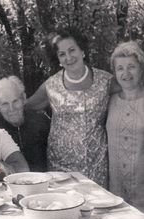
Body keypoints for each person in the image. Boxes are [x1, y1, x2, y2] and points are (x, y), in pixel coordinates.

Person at [26, 27, 112, 188]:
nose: (69, 57)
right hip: (61, 166)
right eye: (62, 54)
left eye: (72, 50)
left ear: (82, 51)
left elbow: (131, 92)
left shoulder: (105, 80)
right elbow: (27, 106)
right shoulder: (51, 85)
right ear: (58, 59)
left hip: (97, 162)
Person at [106, 41, 144, 219]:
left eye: (131, 67)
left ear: (142, 69)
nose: (126, 73)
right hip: (115, 191)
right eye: (120, 68)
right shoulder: (109, 101)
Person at [0, 76, 50, 172]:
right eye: (5, 104)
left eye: (15, 101)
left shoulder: (41, 121)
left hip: (43, 180)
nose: (11, 108)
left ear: (24, 99)